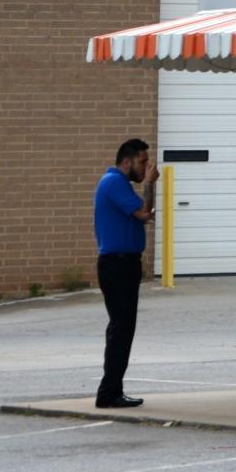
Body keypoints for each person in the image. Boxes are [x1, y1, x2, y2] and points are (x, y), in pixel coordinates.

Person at [92, 139, 156, 409]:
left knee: (123, 328)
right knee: (121, 329)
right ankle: (108, 393)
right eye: (142, 162)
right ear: (127, 161)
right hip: (116, 265)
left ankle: (112, 390)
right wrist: (150, 183)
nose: (146, 167)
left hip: (125, 264)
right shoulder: (114, 182)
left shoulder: (121, 185)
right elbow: (144, 213)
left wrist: (148, 188)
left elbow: (146, 214)